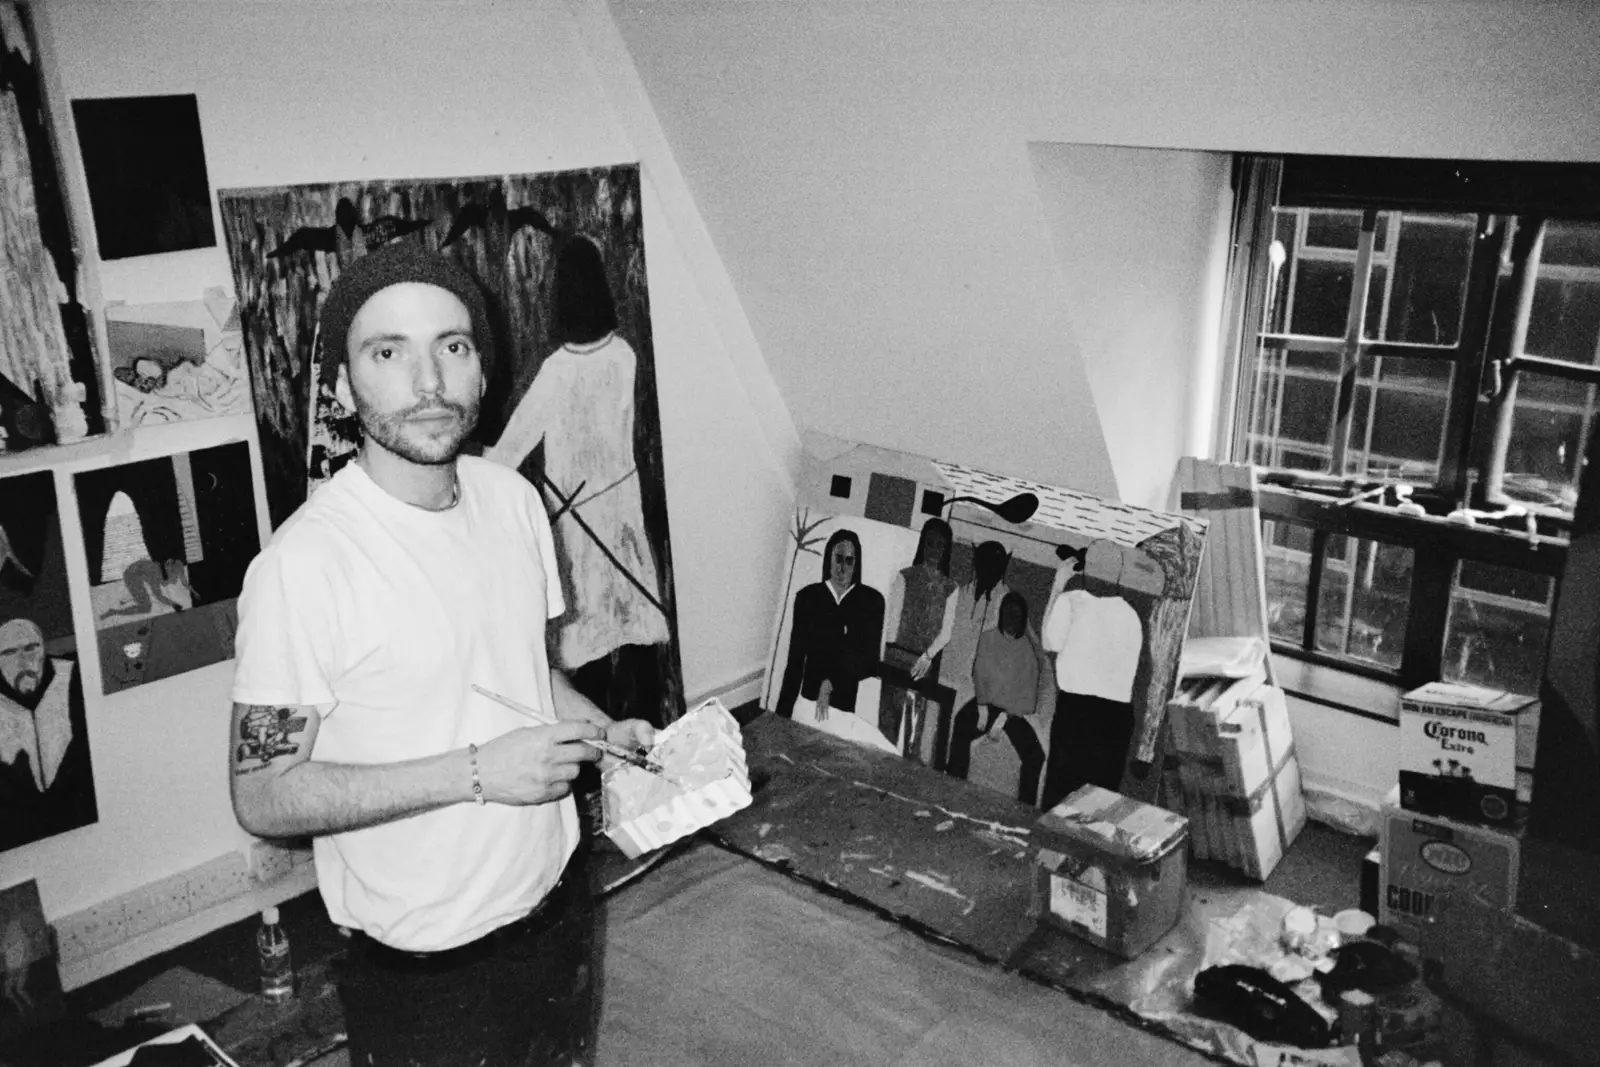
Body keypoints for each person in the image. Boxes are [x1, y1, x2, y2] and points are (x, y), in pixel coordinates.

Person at [228, 242, 654, 1067]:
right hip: (429, 971)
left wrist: (610, 734)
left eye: (452, 348)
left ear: (483, 371)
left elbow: (526, 676)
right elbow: (262, 794)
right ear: (348, 384)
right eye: (389, 352)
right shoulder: (304, 566)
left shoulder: (512, 499)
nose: (428, 384)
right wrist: (474, 773)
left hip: (558, 903)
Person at [484, 235, 671, 726]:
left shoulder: (556, 371)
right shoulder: (625, 355)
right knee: (634, 631)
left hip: (581, 530)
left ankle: (599, 758)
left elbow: (505, 456)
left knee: (584, 647)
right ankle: (654, 740)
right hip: (622, 514)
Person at [1038, 542, 1144, 812]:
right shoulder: (1130, 615)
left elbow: (1049, 641)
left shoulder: (1071, 601)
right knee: (1097, 806)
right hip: (1116, 718)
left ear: (1084, 570)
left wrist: (1058, 583)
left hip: (1077, 711)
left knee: (1061, 799)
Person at [0, 617, 97, 852]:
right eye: (9, 653)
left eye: (31, 648)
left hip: (82, 823)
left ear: (44, 648)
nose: (23, 660)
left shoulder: (74, 679)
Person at [944, 592, 1047, 805]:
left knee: (1036, 756)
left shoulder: (1028, 651)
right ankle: (953, 788)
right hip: (986, 704)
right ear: (1000, 614)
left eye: (1016, 615)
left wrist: (1005, 718)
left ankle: (1024, 810)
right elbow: (978, 673)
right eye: (1007, 613)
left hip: (1012, 713)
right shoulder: (988, 637)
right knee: (961, 723)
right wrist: (981, 706)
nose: (1011, 619)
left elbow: (1029, 696)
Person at [774, 528, 885, 723]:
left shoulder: (871, 602)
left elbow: (870, 661)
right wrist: (781, 717)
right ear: (829, 559)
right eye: (838, 559)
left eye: (849, 561)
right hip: (809, 702)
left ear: (857, 564)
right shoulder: (808, 598)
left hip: (849, 707)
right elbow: (795, 660)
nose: (842, 568)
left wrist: (831, 682)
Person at [879, 518, 959, 761]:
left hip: (924, 662)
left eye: (940, 546)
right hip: (896, 656)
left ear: (946, 550)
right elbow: (892, 622)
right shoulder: (905, 576)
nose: (934, 550)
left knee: (913, 731)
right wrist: (888, 656)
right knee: (887, 726)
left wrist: (927, 657)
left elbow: (946, 632)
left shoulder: (950, 587)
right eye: (930, 544)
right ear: (923, 544)